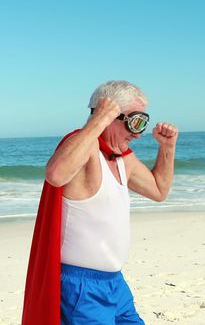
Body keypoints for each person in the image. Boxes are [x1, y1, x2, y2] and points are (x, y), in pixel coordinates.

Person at [22, 80, 178, 325]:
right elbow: (56, 174)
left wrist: (167, 148)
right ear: (111, 115)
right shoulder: (84, 150)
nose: (137, 133)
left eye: (143, 123)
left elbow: (159, 191)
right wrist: (97, 120)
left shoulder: (121, 158)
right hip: (81, 287)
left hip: (114, 283)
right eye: (134, 122)